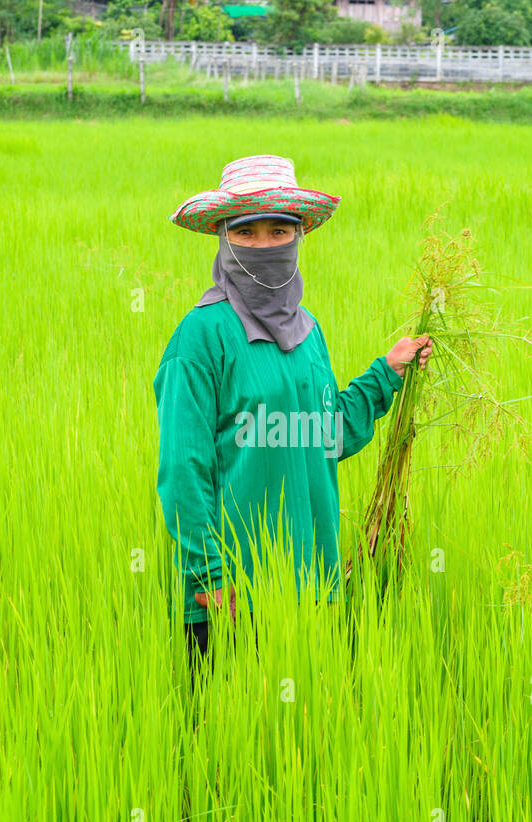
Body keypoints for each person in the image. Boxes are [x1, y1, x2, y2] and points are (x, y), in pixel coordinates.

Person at [153, 154, 431, 675]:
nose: (264, 245)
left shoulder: (308, 333)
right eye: (247, 232)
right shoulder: (201, 338)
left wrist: (385, 374)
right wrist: (209, 577)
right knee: (231, 742)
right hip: (235, 598)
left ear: (300, 234)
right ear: (223, 237)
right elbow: (183, 472)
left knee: (302, 743)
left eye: (279, 229)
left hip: (313, 589)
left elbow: (325, 435)